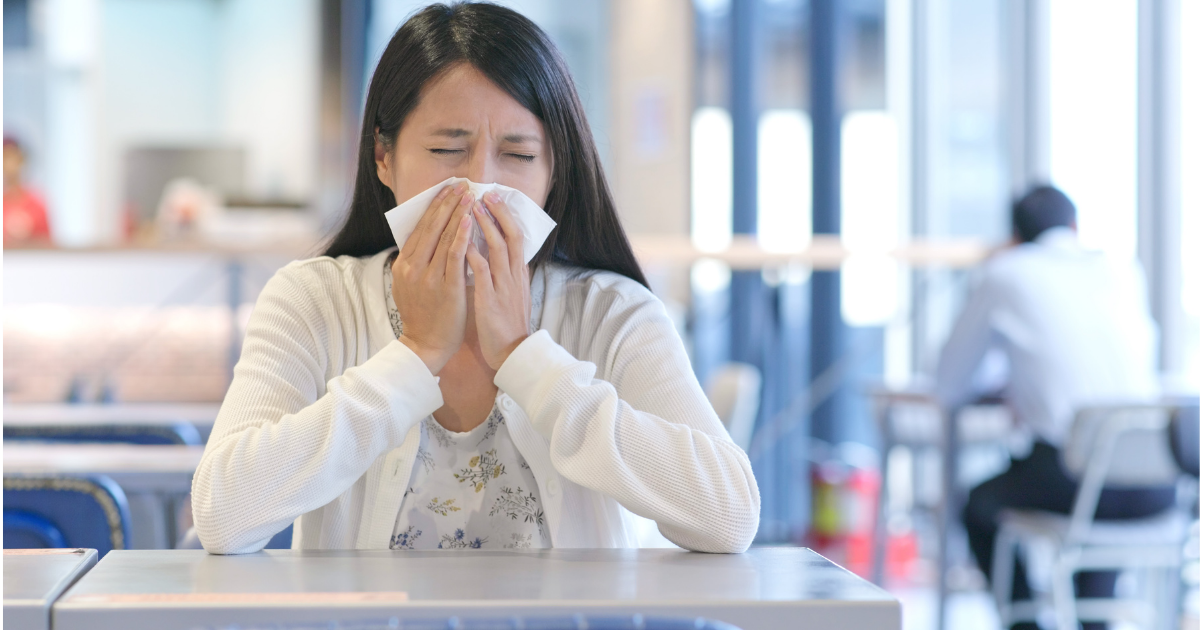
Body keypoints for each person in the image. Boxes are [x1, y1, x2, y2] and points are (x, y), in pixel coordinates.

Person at [192, 3, 760, 555]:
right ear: (383, 159)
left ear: (554, 171)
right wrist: (414, 356)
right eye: (446, 149)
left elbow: (729, 515)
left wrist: (526, 358)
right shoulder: (313, 302)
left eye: (517, 153)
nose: (479, 184)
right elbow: (223, 515)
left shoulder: (610, 313)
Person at [938, 185, 1175, 629]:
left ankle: (1025, 624)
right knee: (1096, 492)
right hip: (1155, 483)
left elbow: (949, 383)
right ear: (1074, 227)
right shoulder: (1121, 270)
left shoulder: (1007, 272)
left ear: (1013, 237)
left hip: (1074, 478)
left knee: (977, 504)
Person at [3, 137, 53, 245]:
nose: (8, 165)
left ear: (21, 160)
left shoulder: (37, 205)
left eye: (12, 158)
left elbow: (48, 245)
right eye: (4, 159)